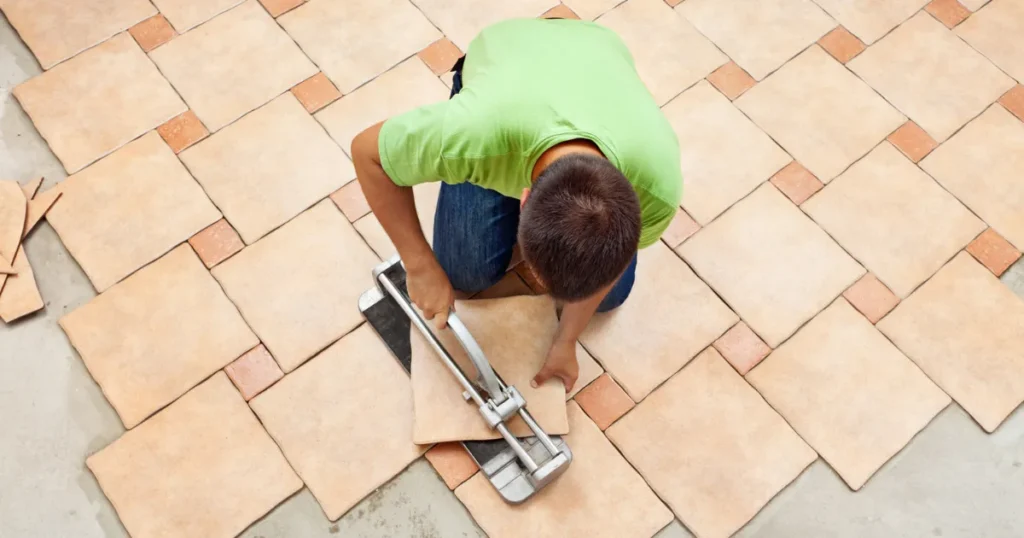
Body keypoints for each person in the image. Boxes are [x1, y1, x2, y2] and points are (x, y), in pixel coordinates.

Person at [351, 17, 682, 392]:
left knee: (611, 296)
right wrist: (419, 264)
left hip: (596, 54)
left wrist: (566, 341)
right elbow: (366, 154)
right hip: (509, 53)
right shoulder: (476, 133)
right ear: (523, 196)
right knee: (463, 274)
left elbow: (605, 274)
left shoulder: (657, 192)